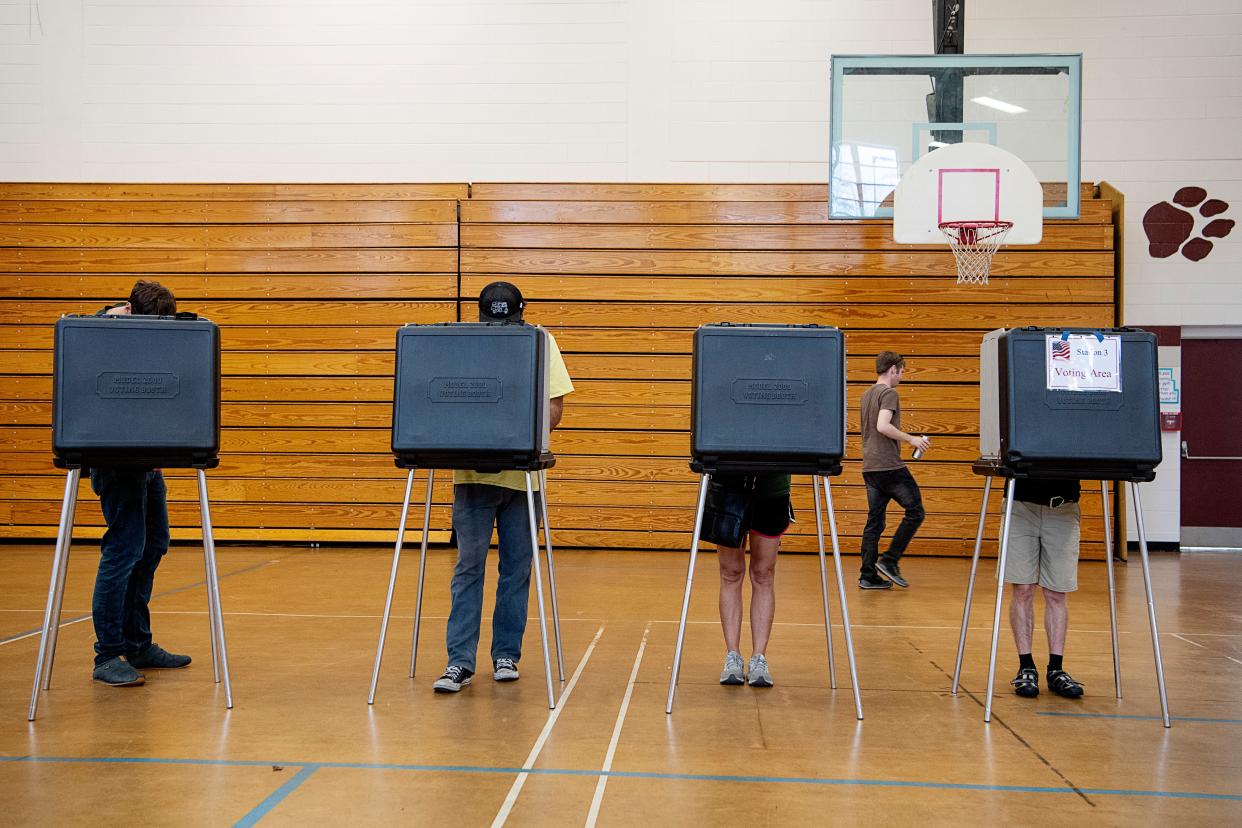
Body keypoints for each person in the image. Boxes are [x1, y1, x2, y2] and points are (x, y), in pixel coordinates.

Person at [434, 281, 574, 693]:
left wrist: (515, 437)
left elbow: (555, 407)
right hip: (472, 477)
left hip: (523, 477)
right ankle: (459, 662)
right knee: (468, 568)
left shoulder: (541, 341)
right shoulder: (464, 344)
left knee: (517, 570)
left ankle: (506, 655)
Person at [89, 279, 193, 687]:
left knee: (154, 544)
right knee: (123, 550)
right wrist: (107, 321)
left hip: (148, 462)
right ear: (129, 311)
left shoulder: (148, 334)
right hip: (116, 463)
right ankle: (107, 654)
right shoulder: (103, 331)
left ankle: (137, 643)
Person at [1006, 477, 1086, 699]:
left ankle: (1056, 669)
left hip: (1064, 507)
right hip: (1021, 505)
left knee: (1057, 593)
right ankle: (1026, 666)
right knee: (1023, 588)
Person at [858, 351, 929, 589]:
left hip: (870, 467)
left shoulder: (867, 395)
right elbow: (882, 426)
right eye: (901, 372)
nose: (901, 377)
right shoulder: (889, 393)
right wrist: (912, 440)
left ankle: (867, 575)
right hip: (889, 466)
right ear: (892, 370)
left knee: (874, 523)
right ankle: (889, 561)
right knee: (916, 511)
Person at [713, 474, 792, 688]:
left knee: (763, 573)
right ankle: (733, 656)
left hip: (772, 488)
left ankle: (759, 658)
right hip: (728, 485)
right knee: (731, 572)